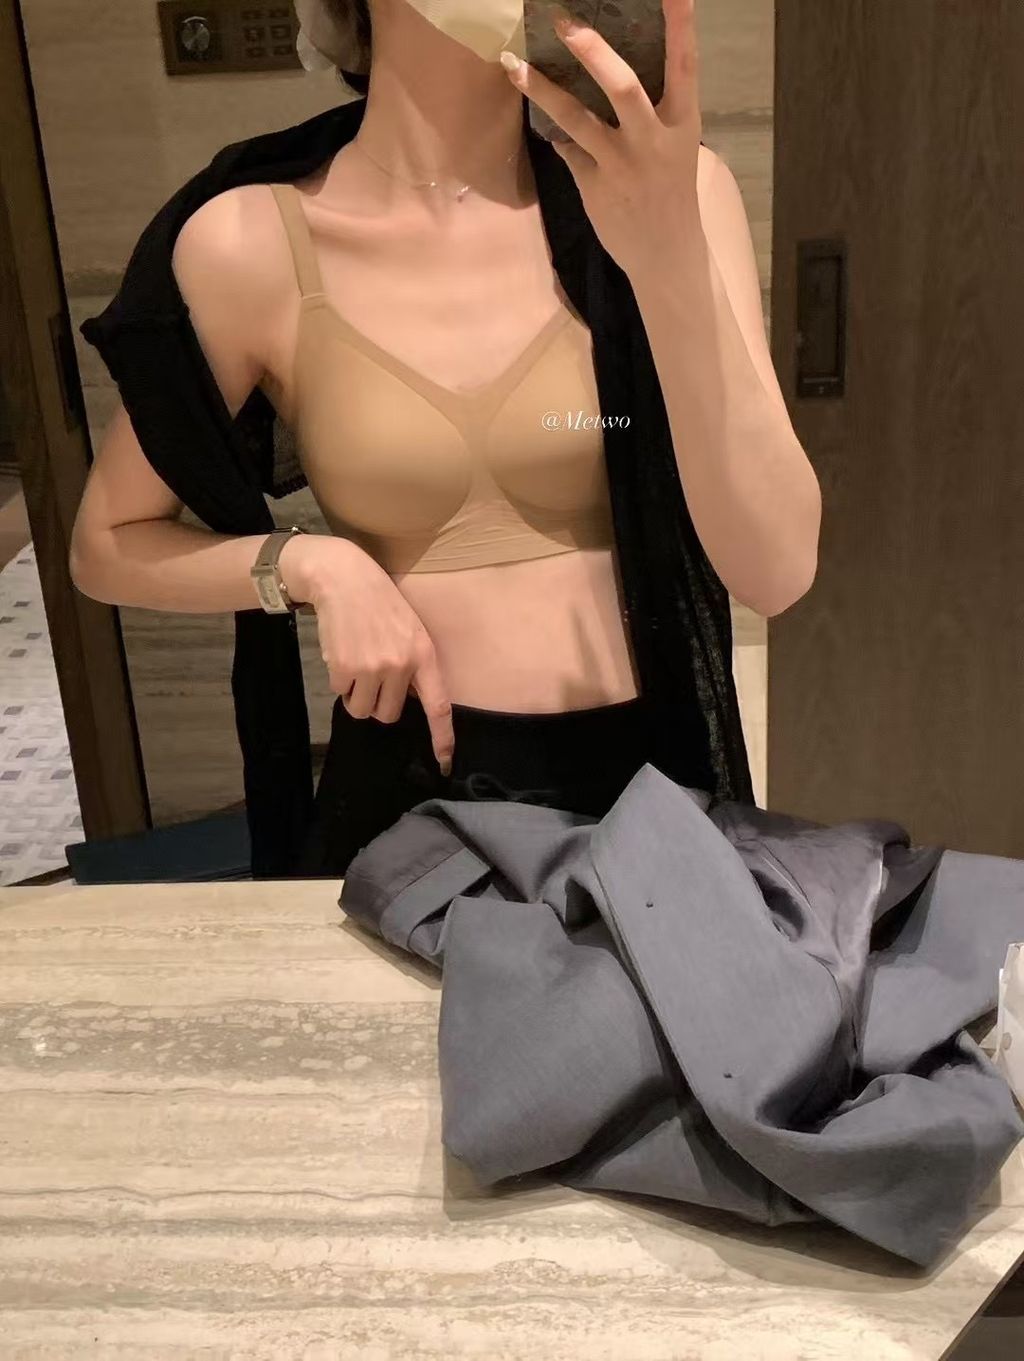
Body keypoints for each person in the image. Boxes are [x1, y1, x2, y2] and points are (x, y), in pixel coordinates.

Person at [69, 0, 820, 878]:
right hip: (412, 801)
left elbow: (777, 570)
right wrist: (307, 565)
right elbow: (105, 545)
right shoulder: (252, 244)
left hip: (649, 789)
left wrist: (669, 258)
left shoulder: (668, 189)